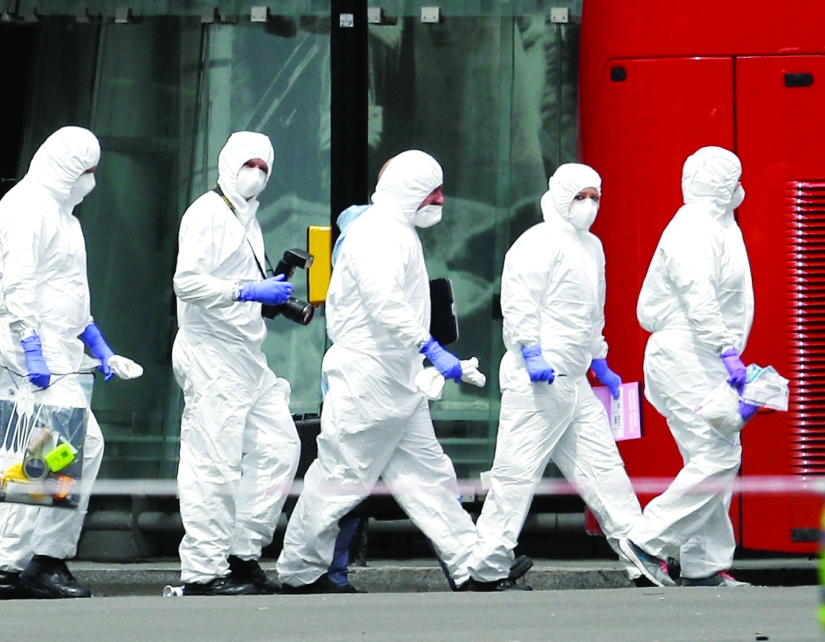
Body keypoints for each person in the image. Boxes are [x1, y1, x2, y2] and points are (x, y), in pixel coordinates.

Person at [276, 150, 486, 593]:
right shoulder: (377, 234)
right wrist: (430, 346)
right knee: (340, 478)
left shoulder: (395, 230)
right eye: (433, 192)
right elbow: (384, 302)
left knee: (429, 477)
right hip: (369, 379)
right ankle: (300, 572)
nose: (441, 201)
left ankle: (474, 566)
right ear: (411, 191)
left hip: (396, 379)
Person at [0, 126, 142, 600]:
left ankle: (45, 559)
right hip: (27, 342)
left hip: (57, 346)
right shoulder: (30, 207)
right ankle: (4, 567)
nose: (91, 180)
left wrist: (100, 346)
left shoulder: (64, 215)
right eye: (86, 172)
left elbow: (70, 294)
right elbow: (20, 285)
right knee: (37, 453)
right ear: (67, 169)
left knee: (78, 447)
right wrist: (31, 346)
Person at [467, 163, 645, 591]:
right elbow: (520, 302)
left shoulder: (593, 247)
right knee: (516, 475)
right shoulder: (537, 243)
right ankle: (487, 567)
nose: (589, 206)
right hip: (537, 382)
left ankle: (644, 556)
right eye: (580, 197)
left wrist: (598, 358)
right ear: (561, 196)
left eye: (595, 197)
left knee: (605, 469)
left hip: (573, 381)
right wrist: (530, 351)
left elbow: (590, 310)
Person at [172, 131, 301, 596]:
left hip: (248, 353)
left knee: (280, 447)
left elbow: (238, 281)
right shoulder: (206, 213)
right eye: (250, 164)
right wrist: (247, 291)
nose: (257, 175)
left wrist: (269, 290)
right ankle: (203, 570)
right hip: (211, 351)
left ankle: (240, 553)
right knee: (214, 461)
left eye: (265, 168)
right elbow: (186, 282)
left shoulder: (250, 219)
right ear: (228, 162)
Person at [619, 146, 754, 588]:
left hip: (702, 357)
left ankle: (704, 566)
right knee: (719, 454)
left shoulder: (717, 225)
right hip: (687, 356)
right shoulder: (695, 227)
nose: (738, 187)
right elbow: (698, 294)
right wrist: (726, 349)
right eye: (732, 178)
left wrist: (725, 352)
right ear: (720, 184)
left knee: (708, 455)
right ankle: (646, 540)